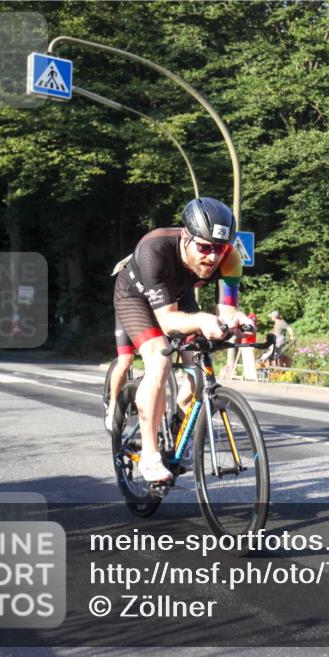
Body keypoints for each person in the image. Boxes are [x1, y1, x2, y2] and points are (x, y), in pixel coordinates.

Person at [107, 197, 252, 482]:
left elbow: (227, 309)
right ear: (185, 237)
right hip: (134, 297)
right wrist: (200, 321)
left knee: (198, 366)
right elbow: (168, 322)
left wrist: (235, 320)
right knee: (159, 357)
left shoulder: (231, 258)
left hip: (176, 294)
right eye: (204, 247)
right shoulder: (155, 248)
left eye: (219, 249)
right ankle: (149, 454)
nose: (212, 257)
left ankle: (178, 430)